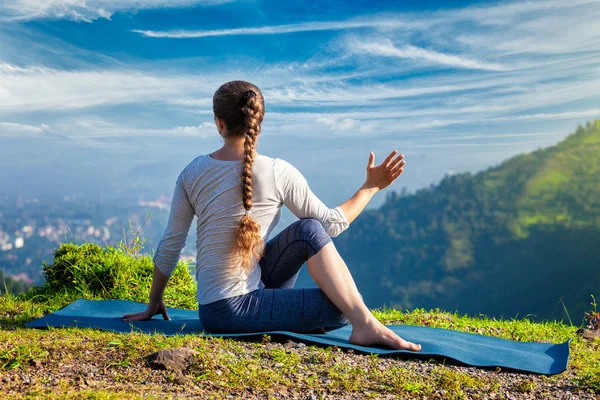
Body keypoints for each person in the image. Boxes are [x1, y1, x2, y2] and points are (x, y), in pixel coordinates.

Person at [123, 80, 421, 351]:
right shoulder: (278, 171)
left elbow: (171, 244)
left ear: (219, 123)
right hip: (232, 310)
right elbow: (333, 223)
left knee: (308, 230)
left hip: (213, 307)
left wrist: (153, 302)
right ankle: (364, 324)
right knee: (342, 307)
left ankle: (358, 321)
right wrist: (370, 188)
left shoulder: (193, 172)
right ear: (258, 122)